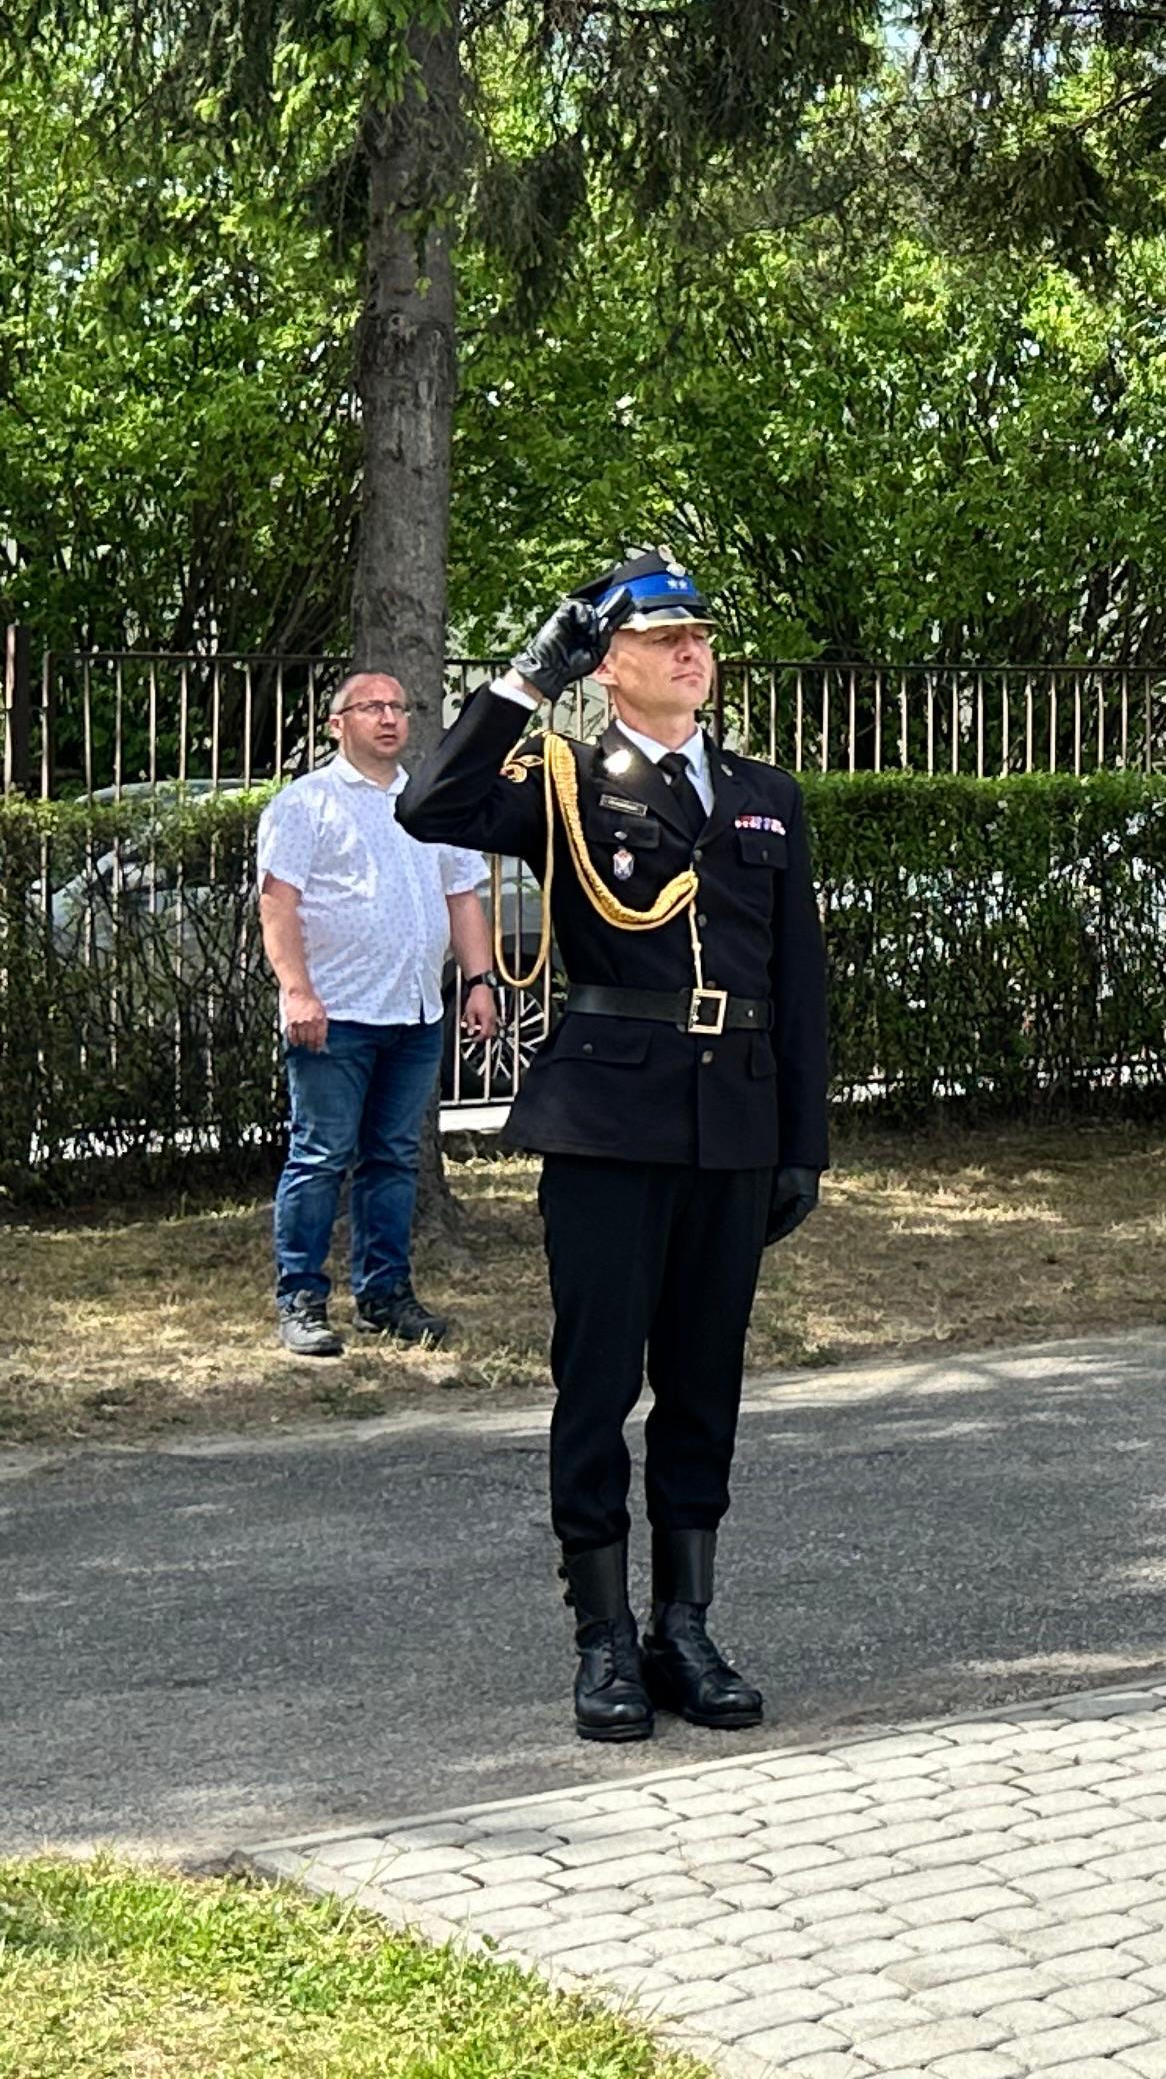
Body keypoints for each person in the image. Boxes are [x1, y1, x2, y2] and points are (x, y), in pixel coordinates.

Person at [398, 552, 826, 1746]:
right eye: (662, 638)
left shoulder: (764, 794)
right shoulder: (567, 779)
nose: (692, 653)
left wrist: (802, 1139)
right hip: (607, 1122)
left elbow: (798, 979)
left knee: (704, 1381)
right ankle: (602, 1636)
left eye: (702, 637)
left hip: (733, 1123)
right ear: (609, 665)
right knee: (597, 1384)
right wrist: (526, 681)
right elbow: (430, 806)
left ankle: (685, 1628)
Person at [256, 671, 501, 1357]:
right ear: (338, 724)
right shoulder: (307, 804)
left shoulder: (432, 805)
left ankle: (385, 1295)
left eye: (398, 706)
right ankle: (301, 1299)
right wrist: (297, 991)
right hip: (335, 1014)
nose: (389, 718)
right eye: (371, 707)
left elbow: (462, 897)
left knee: (393, 1159)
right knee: (319, 1156)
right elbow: (277, 904)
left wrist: (480, 980)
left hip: (415, 1013)